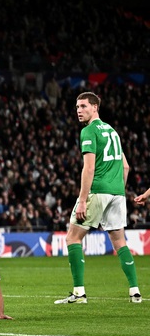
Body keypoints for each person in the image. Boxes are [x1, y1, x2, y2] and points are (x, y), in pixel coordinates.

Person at [55, 92, 142, 304]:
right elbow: (126, 166)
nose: (79, 110)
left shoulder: (89, 131)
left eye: (83, 106)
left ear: (95, 107)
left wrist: (83, 199)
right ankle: (134, 291)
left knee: (73, 238)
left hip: (98, 190)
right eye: (77, 107)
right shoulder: (112, 131)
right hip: (117, 193)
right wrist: (116, 188)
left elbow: (89, 167)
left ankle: (78, 293)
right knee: (120, 242)